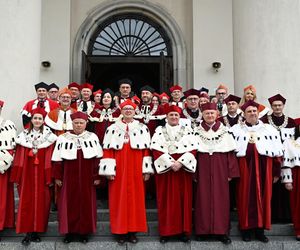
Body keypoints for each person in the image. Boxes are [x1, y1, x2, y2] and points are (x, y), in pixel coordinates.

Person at [99, 99, 153, 245]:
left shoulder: (142, 127)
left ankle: (133, 231)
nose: (128, 111)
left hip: (136, 168)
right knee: (118, 200)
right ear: (121, 111)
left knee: (136, 200)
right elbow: (108, 150)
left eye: (131, 109)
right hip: (118, 167)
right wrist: (108, 170)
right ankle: (120, 232)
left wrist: (146, 170)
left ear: (135, 111)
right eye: (125, 109)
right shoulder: (112, 128)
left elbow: (146, 150)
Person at [231, 100, 283, 242]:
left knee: (264, 199)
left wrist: (276, 172)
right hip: (243, 171)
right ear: (244, 114)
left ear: (258, 113)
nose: (252, 113)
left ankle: (260, 230)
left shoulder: (269, 129)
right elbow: (230, 153)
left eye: (254, 111)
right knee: (243, 199)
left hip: (264, 170)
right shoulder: (236, 130)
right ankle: (245, 229)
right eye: (249, 111)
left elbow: (278, 154)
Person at [52, 111, 103, 243]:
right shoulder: (63, 138)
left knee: (86, 204)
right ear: (72, 123)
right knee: (68, 204)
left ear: (86, 123)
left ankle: (83, 233)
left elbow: (97, 159)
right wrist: (58, 177)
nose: (79, 125)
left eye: (81, 123)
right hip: (68, 177)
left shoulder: (92, 137)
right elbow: (57, 159)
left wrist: (97, 176)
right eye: (76, 123)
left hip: (88, 178)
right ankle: (69, 233)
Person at [194, 102, 239, 244]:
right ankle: (202, 231)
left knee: (222, 200)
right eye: (207, 113)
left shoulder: (225, 132)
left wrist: (231, 172)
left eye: (212, 113)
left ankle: (222, 232)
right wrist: (194, 173)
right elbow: (193, 154)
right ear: (203, 115)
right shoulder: (195, 131)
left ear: (217, 115)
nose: (210, 115)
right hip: (202, 169)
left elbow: (231, 155)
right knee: (202, 199)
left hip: (221, 169)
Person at [151, 105, 197, 243]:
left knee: (184, 201)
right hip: (166, 171)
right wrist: (171, 163)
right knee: (166, 201)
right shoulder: (159, 130)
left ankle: (184, 232)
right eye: (171, 115)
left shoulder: (188, 130)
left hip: (182, 170)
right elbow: (155, 148)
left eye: (176, 115)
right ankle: (166, 232)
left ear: (180, 117)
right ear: (166, 117)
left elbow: (194, 148)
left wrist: (181, 163)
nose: (174, 117)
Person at [11, 108, 57, 245]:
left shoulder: (49, 138)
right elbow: (19, 158)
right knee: (26, 203)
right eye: (35, 118)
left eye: (40, 119)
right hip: (27, 175)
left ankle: (37, 231)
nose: (37, 121)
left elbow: (50, 159)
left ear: (43, 121)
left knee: (42, 203)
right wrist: (17, 176)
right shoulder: (23, 137)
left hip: (43, 174)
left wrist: (49, 177)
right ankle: (27, 233)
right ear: (31, 120)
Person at [261, 94, 295, 223]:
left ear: (283, 106)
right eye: (275, 106)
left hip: (287, 158)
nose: (277, 108)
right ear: (271, 107)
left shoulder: (290, 121)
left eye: (279, 105)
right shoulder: (264, 121)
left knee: (286, 184)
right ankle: (271, 215)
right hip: (271, 157)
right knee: (272, 184)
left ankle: (287, 215)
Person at [0, 100, 16, 240]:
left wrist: (4, 162)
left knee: (2, 197)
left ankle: (1, 225)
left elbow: (12, 146)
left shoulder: (9, 125)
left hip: (2, 166)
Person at [282, 118, 300, 240]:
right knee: (297, 203)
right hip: (297, 173)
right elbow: (285, 160)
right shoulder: (289, 142)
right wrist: (287, 179)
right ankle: (299, 229)